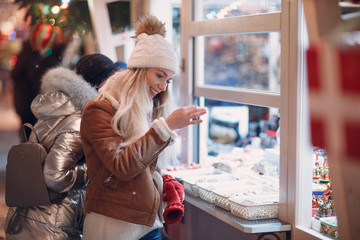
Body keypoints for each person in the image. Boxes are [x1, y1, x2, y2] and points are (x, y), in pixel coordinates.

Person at [80, 15, 207, 240]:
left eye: (168, 80)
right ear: (139, 70)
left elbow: (142, 163)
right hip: (114, 227)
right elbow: (123, 166)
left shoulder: (146, 109)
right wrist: (167, 128)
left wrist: (161, 180)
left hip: (146, 224)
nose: (162, 86)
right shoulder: (99, 110)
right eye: (159, 75)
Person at [5, 53, 119, 240]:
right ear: (101, 84)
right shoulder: (78, 122)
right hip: (52, 225)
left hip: (29, 215)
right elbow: (54, 176)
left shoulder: (58, 110)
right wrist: (95, 169)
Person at [11, 40, 68, 138]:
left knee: (28, 124)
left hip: (26, 98)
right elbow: (18, 75)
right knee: (27, 124)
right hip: (26, 98)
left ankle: (28, 146)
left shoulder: (32, 57)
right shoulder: (28, 57)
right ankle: (27, 147)